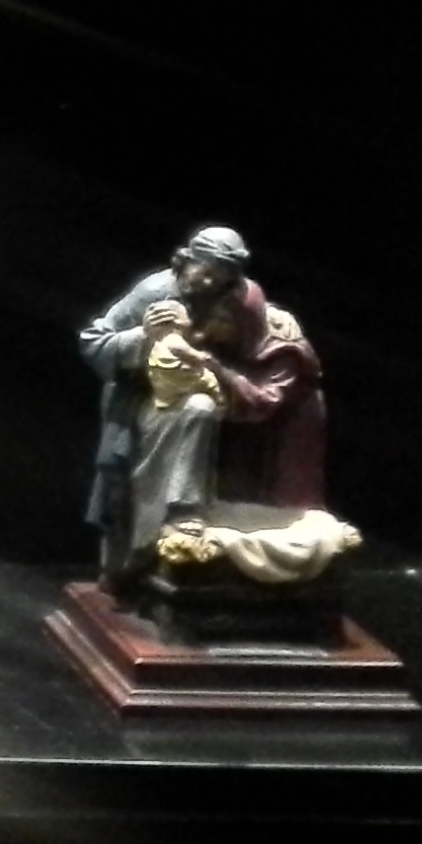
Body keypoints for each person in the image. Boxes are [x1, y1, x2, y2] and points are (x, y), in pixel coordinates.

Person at [80, 226, 327, 585]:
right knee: (190, 413)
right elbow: (94, 342)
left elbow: (256, 343)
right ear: (186, 260)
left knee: (199, 407)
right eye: (205, 271)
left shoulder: (234, 300)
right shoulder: (156, 291)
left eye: (220, 278)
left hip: (204, 395)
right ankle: (136, 550)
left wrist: (269, 329)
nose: (209, 283)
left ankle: (184, 513)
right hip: (143, 400)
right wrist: (144, 336)